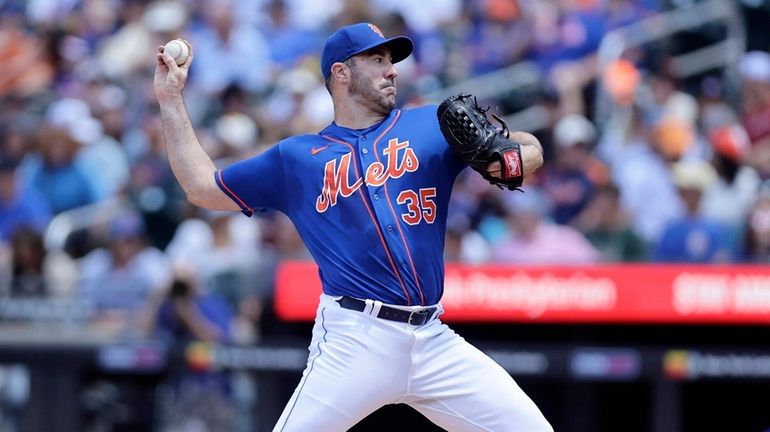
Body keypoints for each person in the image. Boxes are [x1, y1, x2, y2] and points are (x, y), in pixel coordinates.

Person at [154, 22, 552, 432]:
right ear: (341, 72)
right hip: (355, 339)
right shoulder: (298, 158)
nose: (392, 70)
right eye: (377, 60)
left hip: (433, 339)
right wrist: (170, 100)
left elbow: (528, 147)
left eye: (391, 61)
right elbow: (202, 188)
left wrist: (513, 155)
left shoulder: (430, 126)